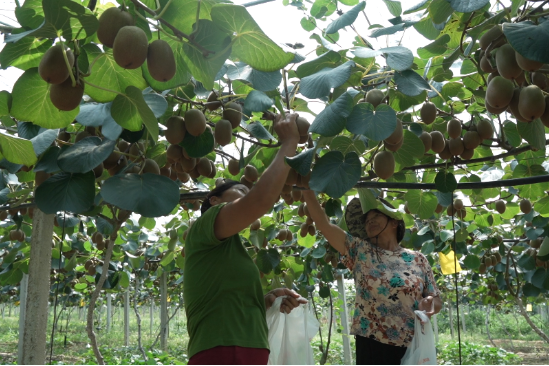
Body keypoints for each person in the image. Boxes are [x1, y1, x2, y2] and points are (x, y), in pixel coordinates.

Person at [184, 113, 308, 365]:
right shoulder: (204, 226)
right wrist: (288, 143)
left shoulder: (230, 247)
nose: (246, 194)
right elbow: (260, 201)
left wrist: (266, 301)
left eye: (246, 192)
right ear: (214, 200)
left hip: (247, 348)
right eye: (240, 190)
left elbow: (226, 302)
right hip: (221, 349)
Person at [302, 192, 443, 365]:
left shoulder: (418, 259)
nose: (370, 221)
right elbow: (324, 225)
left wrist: (430, 303)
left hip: (411, 343)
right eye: (367, 220)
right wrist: (306, 191)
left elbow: (436, 299)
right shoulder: (359, 250)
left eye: (376, 216)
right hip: (372, 343)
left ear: (394, 222)